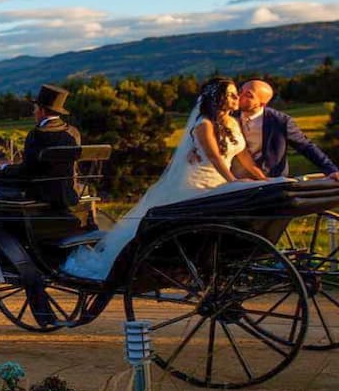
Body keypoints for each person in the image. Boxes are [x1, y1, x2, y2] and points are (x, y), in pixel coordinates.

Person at [62, 77, 274, 280]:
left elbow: (243, 155)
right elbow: (214, 157)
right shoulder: (204, 125)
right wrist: (232, 181)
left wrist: (262, 178)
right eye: (232, 95)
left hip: (218, 179)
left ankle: (212, 261)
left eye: (236, 95)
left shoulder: (232, 123)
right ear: (218, 98)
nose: (237, 99)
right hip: (198, 182)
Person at [234, 79, 339, 181]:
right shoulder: (228, 116)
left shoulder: (280, 121)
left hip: (271, 181)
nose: (239, 97)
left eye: (248, 95)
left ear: (262, 103)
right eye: (240, 91)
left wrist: (331, 170)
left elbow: (305, 146)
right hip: (234, 180)